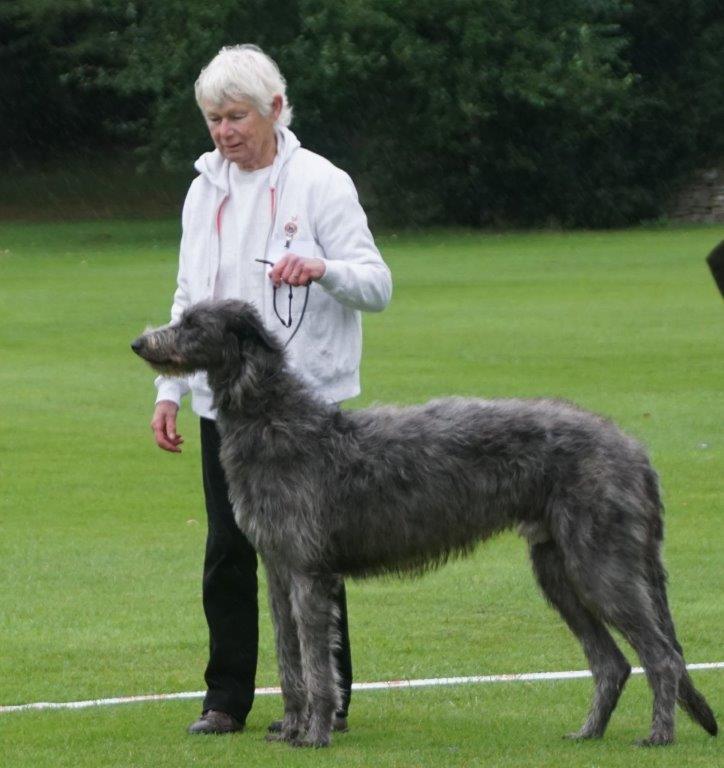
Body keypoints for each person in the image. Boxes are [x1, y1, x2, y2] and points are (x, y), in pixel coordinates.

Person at [148, 44, 392, 735]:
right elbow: (188, 296)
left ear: (276, 109)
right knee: (228, 552)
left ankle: (328, 698)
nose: (224, 132)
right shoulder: (203, 190)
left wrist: (323, 268)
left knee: (314, 553)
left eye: (236, 117)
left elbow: (377, 283)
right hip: (221, 407)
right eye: (214, 119)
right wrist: (167, 393)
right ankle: (226, 698)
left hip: (305, 409)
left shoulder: (322, 182)